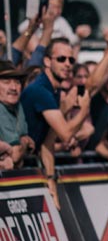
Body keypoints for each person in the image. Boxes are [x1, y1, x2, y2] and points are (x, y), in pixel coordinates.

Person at [20, 38, 92, 208]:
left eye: (71, 60)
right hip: (17, 165)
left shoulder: (55, 90)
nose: (68, 64)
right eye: (61, 59)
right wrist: (83, 111)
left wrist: (51, 180)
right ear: (47, 61)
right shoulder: (40, 90)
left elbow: (48, 142)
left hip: (32, 162)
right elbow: (65, 134)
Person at [0, 60, 35, 169]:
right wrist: (24, 141)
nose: (13, 88)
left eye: (17, 82)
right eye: (6, 82)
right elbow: (15, 154)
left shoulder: (17, 106)